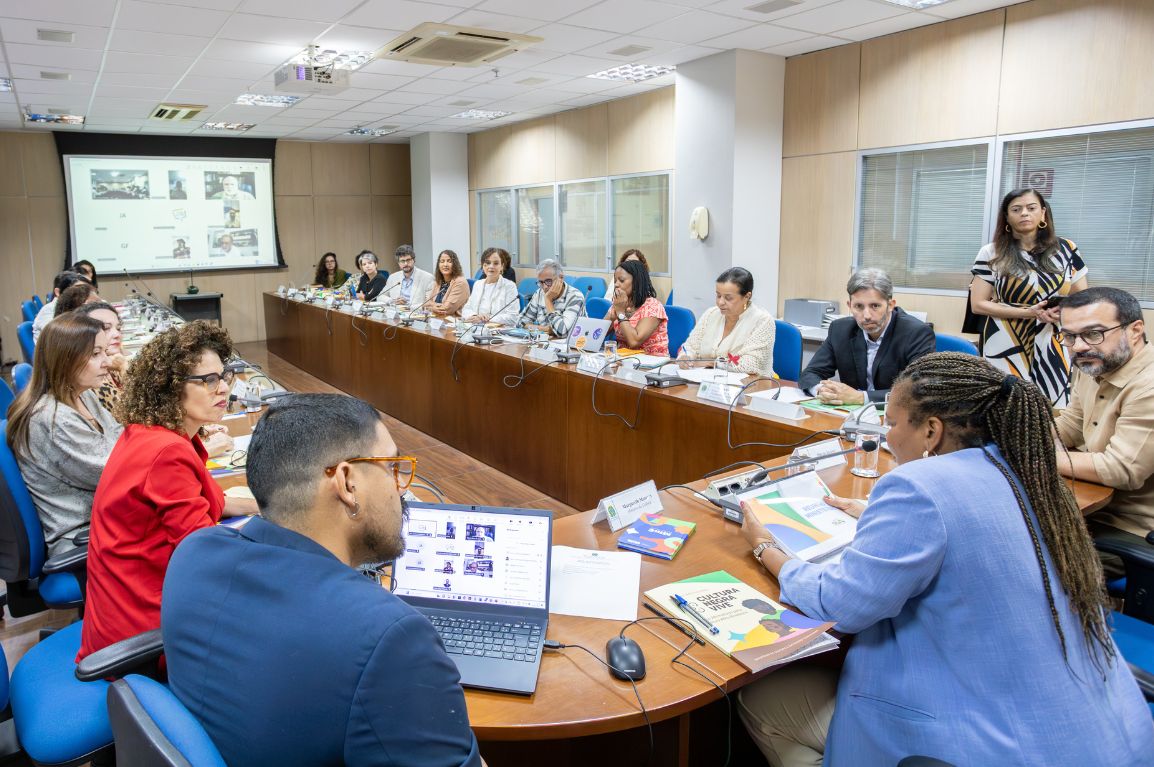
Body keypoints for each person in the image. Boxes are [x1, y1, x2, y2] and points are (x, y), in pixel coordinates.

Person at [738, 353, 1153, 766]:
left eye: (891, 424)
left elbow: (840, 605)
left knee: (764, 699)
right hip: (1108, 736)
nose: (887, 437)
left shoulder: (918, 486)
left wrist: (766, 548)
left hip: (995, 747)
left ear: (931, 431)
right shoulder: (1031, 472)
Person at [162, 394, 483, 766]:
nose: (401, 489)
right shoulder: (391, 637)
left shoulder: (194, 553)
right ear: (347, 483)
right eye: (392, 468)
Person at [78, 322, 258, 661]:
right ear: (170, 388)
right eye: (208, 380)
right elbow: (209, 556)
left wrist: (261, 507)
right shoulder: (166, 452)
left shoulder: (155, 433)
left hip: (130, 606)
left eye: (224, 376)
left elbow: (209, 502)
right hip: (145, 629)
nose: (223, 388)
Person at [1053, 287, 1154, 574]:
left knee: (1018, 560)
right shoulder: (1095, 363)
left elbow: (1121, 469)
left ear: (1135, 331)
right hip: (1091, 510)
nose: (1078, 346)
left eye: (1093, 334)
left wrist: (1039, 456)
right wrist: (1020, 435)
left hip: (1131, 529)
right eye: (1069, 336)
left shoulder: (1148, 386)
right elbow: (1071, 425)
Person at [5, 315, 122, 557]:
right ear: (65, 359)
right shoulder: (52, 418)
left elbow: (120, 435)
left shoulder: (82, 394)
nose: (107, 362)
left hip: (109, 519)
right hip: (84, 538)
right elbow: (117, 474)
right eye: (95, 354)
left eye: (104, 352)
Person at [970, 187, 1087, 407]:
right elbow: (978, 304)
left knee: (1051, 404)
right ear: (1007, 217)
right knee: (1006, 403)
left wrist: (1062, 311)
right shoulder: (991, 252)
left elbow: (1082, 297)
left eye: (1031, 208)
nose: (1024, 213)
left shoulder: (1067, 249)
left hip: (1053, 335)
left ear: (1043, 213)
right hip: (1005, 336)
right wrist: (1028, 313)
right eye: (1016, 209)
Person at [798, 268, 934, 404]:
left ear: (890, 305)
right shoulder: (840, 330)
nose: (867, 316)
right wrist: (821, 390)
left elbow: (919, 389)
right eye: (858, 306)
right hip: (848, 412)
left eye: (875, 306)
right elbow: (810, 374)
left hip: (894, 413)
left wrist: (861, 397)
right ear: (850, 306)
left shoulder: (916, 333)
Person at [678, 267, 777, 375]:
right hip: (707, 380)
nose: (720, 302)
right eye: (718, 295)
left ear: (747, 296)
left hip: (751, 383)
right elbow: (690, 346)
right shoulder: (711, 314)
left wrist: (711, 363)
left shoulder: (762, 321)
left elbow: (749, 365)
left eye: (728, 298)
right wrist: (685, 357)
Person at [604, 259, 668, 355]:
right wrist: (611, 319)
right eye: (615, 280)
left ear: (636, 282)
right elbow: (597, 334)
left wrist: (620, 313)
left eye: (621, 280)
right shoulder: (619, 303)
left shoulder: (653, 306)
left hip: (651, 361)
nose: (616, 284)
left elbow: (634, 342)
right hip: (623, 359)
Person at [75, 302, 128, 414]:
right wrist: (124, 367)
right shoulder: (91, 379)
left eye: (118, 328)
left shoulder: (112, 360)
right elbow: (133, 412)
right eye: (106, 328)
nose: (117, 334)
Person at [518, 259, 586, 338]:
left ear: (561, 278)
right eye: (541, 282)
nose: (544, 287)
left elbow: (563, 332)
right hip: (545, 342)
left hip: (573, 344)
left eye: (548, 281)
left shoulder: (575, 297)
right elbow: (520, 322)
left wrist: (548, 301)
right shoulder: (539, 293)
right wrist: (545, 329)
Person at [462, 247, 519, 325]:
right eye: (488, 263)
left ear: (502, 266)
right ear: (483, 265)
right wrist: (474, 316)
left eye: (496, 263)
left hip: (499, 330)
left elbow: (513, 318)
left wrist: (487, 318)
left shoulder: (509, 286)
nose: (491, 266)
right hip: (476, 327)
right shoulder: (478, 284)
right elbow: (466, 309)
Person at [32, 270, 90, 342]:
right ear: (58, 292)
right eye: (77, 291)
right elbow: (59, 338)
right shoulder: (49, 310)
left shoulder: (78, 306)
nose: (83, 295)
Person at [427, 249, 470, 317]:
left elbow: (446, 309)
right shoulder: (439, 281)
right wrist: (432, 306)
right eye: (442, 261)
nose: (445, 265)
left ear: (455, 264)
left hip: (453, 320)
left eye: (449, 261)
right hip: (437, 319)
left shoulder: (460, 282)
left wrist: (431, 307)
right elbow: (426, 303)